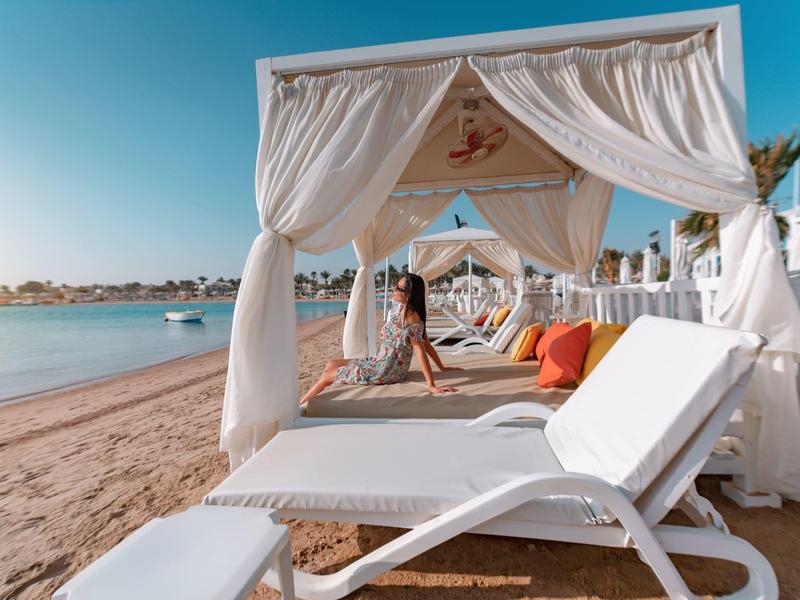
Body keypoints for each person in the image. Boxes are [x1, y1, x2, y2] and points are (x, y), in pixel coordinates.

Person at [300, 273, 461, 405]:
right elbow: (427, 344)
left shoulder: (412, 318)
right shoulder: (403, 311)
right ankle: (306, 403)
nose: (394, 289)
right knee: (330, 364)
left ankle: (300, 406)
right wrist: (442, 368)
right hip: (379, 361)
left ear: (409, 295)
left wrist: (431, 385)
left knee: (327, 375)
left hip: (386, 370)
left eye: (398, 288)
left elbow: (420, 350)